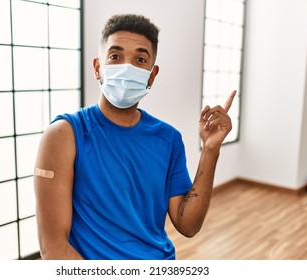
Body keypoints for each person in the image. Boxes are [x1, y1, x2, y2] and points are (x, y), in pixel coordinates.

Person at [34, 14, 235, 260]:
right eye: (115, 56)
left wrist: (210, 150)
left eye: (140, 59)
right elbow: (53, 247)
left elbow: (188, 225)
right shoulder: (65, 135)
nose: (127, 68)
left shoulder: (168, 138)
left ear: (151, 75)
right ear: (98, 68)